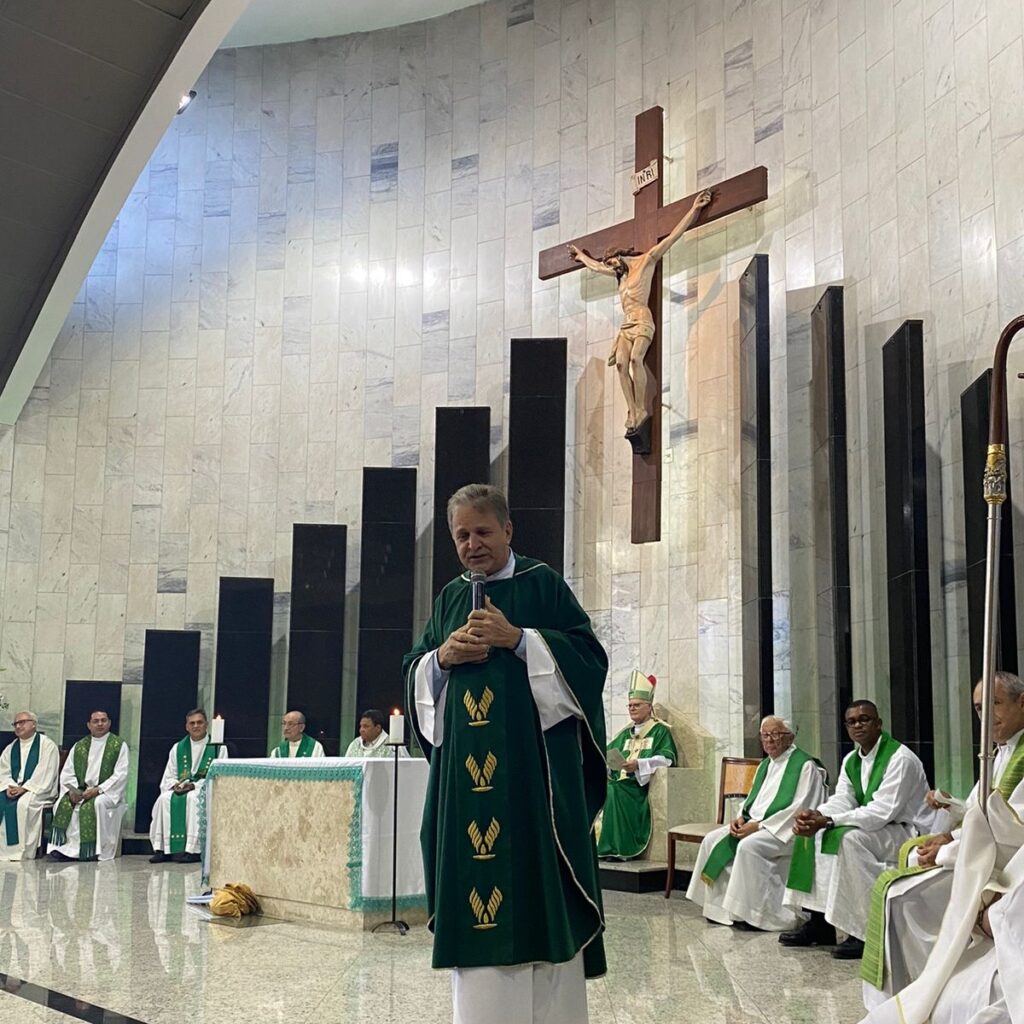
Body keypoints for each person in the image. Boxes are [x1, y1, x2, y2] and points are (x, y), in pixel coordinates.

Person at [405, 483, 608, 1024]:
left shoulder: (542, 585)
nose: (472, 544)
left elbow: (590, 662)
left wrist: (519, 639)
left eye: (483, 532)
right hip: (466, 791)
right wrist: (440, 659)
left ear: (509, 530)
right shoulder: (450, 597)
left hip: (533, 789)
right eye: (461, 535)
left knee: (541, 902)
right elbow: (415, 668)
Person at [861, 671, 1024, 1004]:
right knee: (903, 877)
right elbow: (980, 812)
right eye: (979, 709)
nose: (985, 716)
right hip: (981, 855)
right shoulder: (998, 753)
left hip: (1004, 870)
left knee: (902, 898)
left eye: (994, 704)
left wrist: (948, 849)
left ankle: (926, 988)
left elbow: (1011, 827)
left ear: (1022, 702)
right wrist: (949, 835)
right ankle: (909, 990)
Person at [780, 700, 930, 959]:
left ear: (878, 724)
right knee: (814, 835)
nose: (858, 725)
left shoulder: (900, 758)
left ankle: (863, 931)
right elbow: (844, 799)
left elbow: (883, 811)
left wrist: (829, 821)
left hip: (905, 831)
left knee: (849, 840)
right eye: (852, 721)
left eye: (865, 719)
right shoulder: (852, 759)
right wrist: (819, 814)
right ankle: (820, 922)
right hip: (876, 828)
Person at [568, 188, 712, 447]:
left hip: (643, 319)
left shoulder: (646, 262)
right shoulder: (618, 274)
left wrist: (694, 209)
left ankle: (643, 409)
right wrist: (581, 257)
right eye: (609, 265)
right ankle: (633, 410)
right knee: (621, 365)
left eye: (613, 263)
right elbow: (596, 266)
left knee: (636, 359)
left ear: (620, 256)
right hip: (626, 325)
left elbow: (672, 238)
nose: (611, 269)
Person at [686, 715, 827, 931]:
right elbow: (753, 800)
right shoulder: (765, 765)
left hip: (786, 831)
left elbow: (801, 808)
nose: (769, 740)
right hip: (757, 823)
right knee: (712, 839)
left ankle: (754, 915)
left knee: (749, 847)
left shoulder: (805, 766)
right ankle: (720, 909)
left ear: (789, 737)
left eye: (775, 734)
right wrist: (741, 818)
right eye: (765, 735)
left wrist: (759, 826)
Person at [596, 672, 677, 859]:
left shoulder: (660, 731)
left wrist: (639, 764)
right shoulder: (625, 734)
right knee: (604, 787)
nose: (632, 709)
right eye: (630, 705)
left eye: (637, 705)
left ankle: (617, 847)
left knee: (613, 790)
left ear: (649, 707)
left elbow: (668, 759)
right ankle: (601, 845)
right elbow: (606, 754)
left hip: (637, 788)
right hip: (619, 782)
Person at [48, 710, 130, 862]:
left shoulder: (119, 745)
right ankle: (62, 848)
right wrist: (72, 790)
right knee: (62, 802)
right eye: (96, 721)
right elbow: (68, 772)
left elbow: (121, 774)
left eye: (103, 720)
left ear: (109, 723)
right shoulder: (80, 746)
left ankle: (93, 849)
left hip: (106, 792)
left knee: (95, 804)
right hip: (81, 790)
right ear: (89, 725)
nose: (100, 724)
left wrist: (98, 790)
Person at [149, 709, 227, 864]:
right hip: (180, 787)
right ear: (186, 726)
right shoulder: (177, 748)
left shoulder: (219, 748)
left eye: (199, 722)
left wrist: (194, 786)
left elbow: (219, 777)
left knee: (193, 799)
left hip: (202, 789)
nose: (196, 726)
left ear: (206, 725)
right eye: (192, 723)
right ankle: (162, 848)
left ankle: (193, 849)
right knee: (164, 799)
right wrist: (175, 786)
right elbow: (168, 776)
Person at [0, 711, 60, 861]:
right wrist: (9, 787)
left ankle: (23, 851)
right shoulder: (11, 748)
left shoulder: (47, 745)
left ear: (34, 724)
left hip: (39, 790)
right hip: (14, 788)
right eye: (16, 724)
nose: (18, 726)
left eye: (22, 722)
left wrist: (25, 788)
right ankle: (3, 849)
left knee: (23, 805)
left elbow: (46, 771)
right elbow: (3, 771)